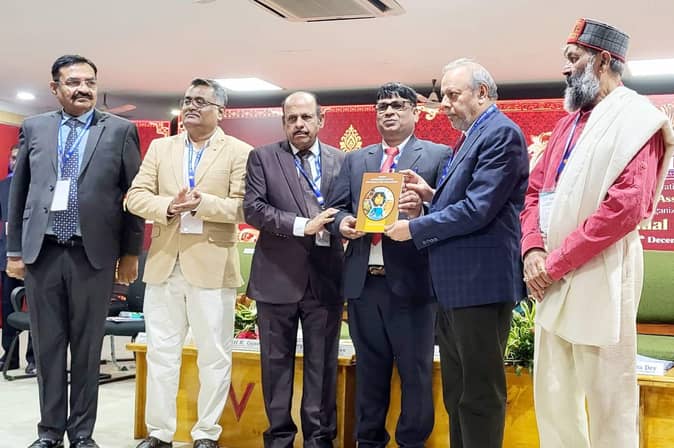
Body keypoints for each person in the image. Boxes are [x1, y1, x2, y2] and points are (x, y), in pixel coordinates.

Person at [519, 19, 674, 447]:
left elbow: (626, 207)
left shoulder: (638, 120)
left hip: (602, 268)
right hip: (549, 274)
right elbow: (533, 192)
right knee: (553, 392)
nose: (565, 69)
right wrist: (532, 250)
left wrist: (555, 262)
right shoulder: (567, 124)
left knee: (608, 397)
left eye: (574, 59)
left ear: (603, 61)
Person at [386, 61, 529, 448]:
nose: (444, 104)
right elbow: (467, 202)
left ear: (482, 93)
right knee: (458, 394)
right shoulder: (471, 136)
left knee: (479, 396)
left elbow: (478, 209)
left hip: (480, 284)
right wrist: (430, 197)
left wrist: (414, 227)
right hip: (454, 286)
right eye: (443, 95)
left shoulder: (501, 134)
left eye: (453, 95)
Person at [7, 54, 144, 448]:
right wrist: (14, 251)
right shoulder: (34, 128)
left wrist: (131, 253)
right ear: (55, 88)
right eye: (73, 82)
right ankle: (49, 432)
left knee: (86, 348)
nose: (83, 89)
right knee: (48, 346)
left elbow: (134, 196)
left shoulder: (119, 131)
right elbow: (19, 194)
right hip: (43, 253)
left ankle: (82, 434)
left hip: (93, 255)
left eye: (89, 82)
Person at [126, 78, 252, 448]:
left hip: (212, 266)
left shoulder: (239, 152)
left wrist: (202, 203)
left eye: (200, 101)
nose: (191, 106)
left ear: (221, 111)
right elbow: (135, 197)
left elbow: (244, 207)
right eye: (187, 100)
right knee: (161, 353)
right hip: (165, 263)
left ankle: (206, 433)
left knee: (213, 356)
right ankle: (159, 433)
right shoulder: (161, 148)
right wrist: (169, 205)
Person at [327, 82, 450, 448]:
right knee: (369, 372)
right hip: (364, 283)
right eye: (382, 107)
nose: (389, 112)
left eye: (398, 105)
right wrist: (343, 224)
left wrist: (422, 210)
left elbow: (450, 211)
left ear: (415, 112)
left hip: (413, 284)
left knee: (415, 374)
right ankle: (368, 441)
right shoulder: (356, 160)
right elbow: (336, 208)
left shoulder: (438, 155)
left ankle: (411, 443)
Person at [243, 91, 345, 448]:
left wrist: (347, 224)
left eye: (306, 117)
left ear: (321, 119)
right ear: (283, 122)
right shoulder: (262, 158)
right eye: (291, 119)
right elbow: (254, 209)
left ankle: (319, 440)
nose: (299, 124)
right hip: (276, 278)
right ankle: (279, 439)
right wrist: (303, 225)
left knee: (323, 367)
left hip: (325, 279)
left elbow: (347, 208)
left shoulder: (341, 160)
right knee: (275, 368)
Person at [0, 144, 34, 374]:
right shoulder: (3, 186)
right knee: (7, 307)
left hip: (35, 257)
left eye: (19, 158)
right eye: (13, 158)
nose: (15, 161)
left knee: (35, 310)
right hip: (8, 256)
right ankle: (10, 356)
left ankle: (35, 358)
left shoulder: (39, 186)